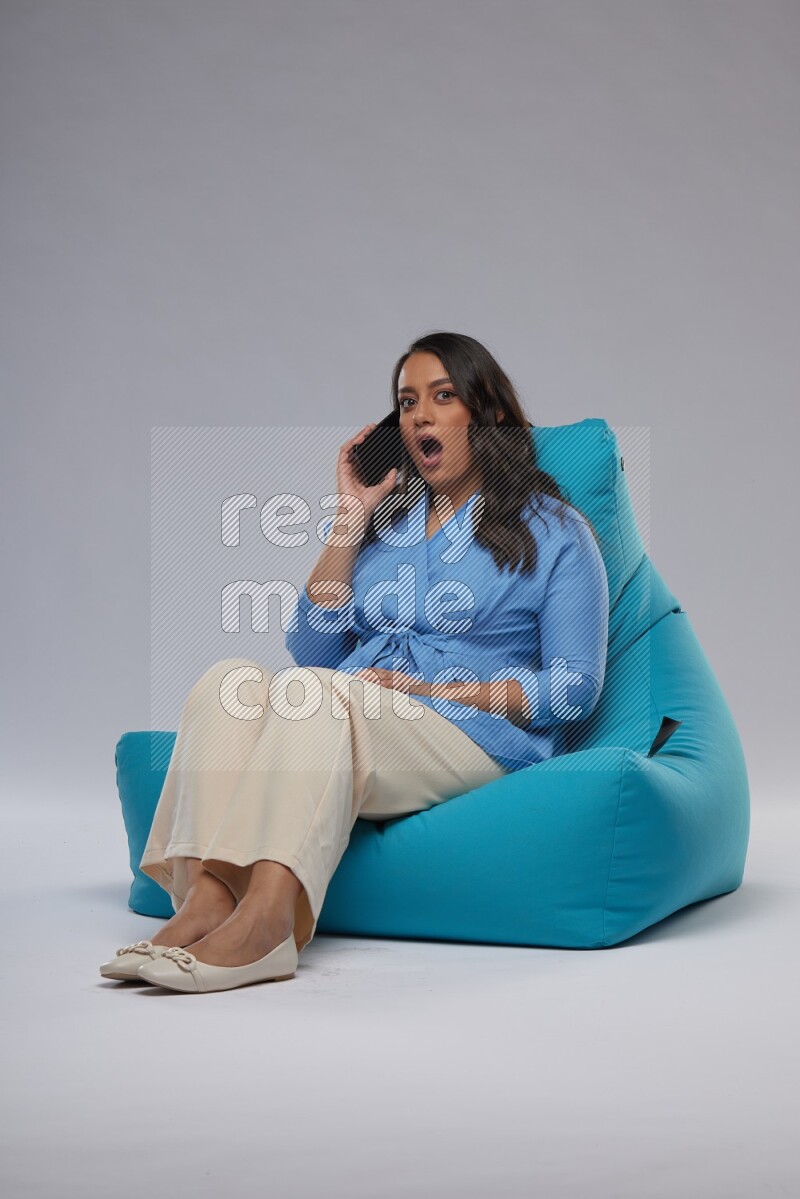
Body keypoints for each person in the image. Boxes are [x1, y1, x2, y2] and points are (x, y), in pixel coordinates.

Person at [99, 331, 610, 993]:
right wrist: (348, 518)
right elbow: (310, 648)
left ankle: (266, 926)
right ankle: (202, 902)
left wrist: (432, 688)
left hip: (471, 735)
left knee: (319, 695)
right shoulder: (387, 526)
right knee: (228, 682)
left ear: (489, 417)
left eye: (441, 397)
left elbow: (575, 688)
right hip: (358, 715)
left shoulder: (559, 533)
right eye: (405, 402)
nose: (418, 415)